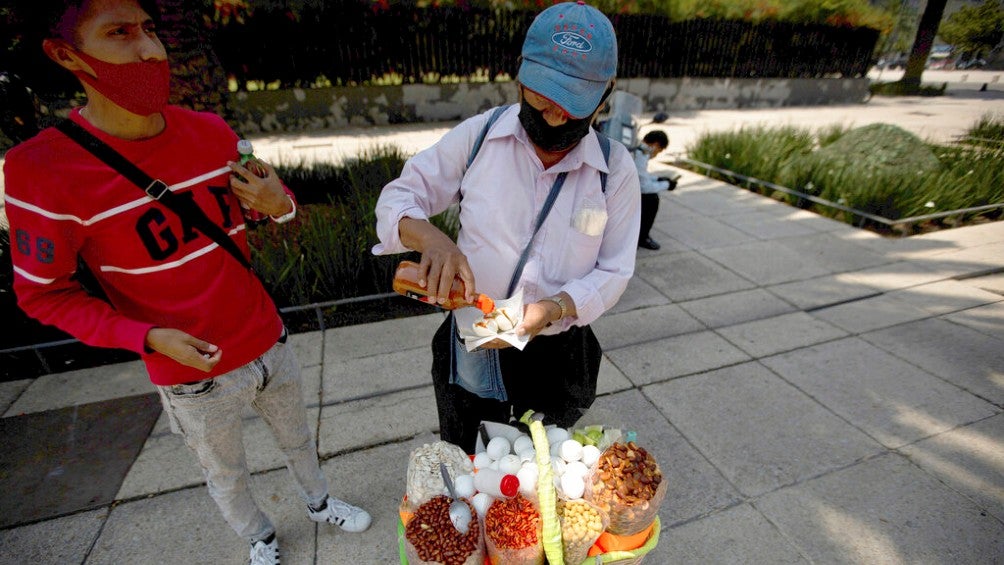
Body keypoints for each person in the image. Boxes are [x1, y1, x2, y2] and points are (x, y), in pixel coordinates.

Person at [3, 2, 370, 563]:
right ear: (65, 54)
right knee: (225, 472)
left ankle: (319, 503)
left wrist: (283, 206)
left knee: (300, 440)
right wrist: (145, 337)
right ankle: (259, 537)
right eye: (120, 34)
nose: (149, 49)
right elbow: (42, 292)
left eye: (150, 29)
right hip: (190, 372)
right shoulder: (41, 170)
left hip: (268, 340)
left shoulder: (211, 132)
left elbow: (263, 206)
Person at [373, 1, 641, 453]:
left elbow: (615, 270)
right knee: (469, 460)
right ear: (521, 75)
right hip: (474, 336)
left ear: (605, 92)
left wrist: (551, 309)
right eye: (543, 95)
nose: (555, 114)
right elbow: (399, 197)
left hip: (555, 347)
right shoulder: (481, 137)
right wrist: (430, 237)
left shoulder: (615, 171)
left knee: (541, 469)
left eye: (573, 103)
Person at [634, 129, 678, 250]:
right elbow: (644, 187)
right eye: (659, 151)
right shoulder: (641, 155)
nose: (656, 154)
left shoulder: (638, 149)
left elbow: (641, 176)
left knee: (651, 196)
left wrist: (658, 179)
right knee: (652, 199)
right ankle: (642, 237)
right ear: (656, 145)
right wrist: (666, 185)